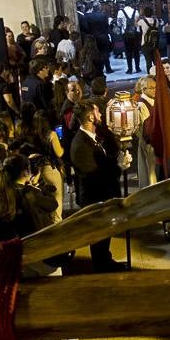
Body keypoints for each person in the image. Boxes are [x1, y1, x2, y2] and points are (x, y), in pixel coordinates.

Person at [69, 101, 127, 270]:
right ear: (90, 116)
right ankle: (101, 266)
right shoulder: (80, 145)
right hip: (94, 197)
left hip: (103, 195)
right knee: (99, 237)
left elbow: (107, 156)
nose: (101, 114)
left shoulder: (92, 137)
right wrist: (118, 167)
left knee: (104, 235)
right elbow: (95, 175)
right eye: (98, 112)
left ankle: (105, 260)